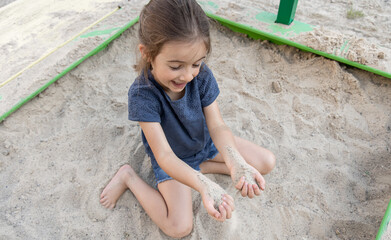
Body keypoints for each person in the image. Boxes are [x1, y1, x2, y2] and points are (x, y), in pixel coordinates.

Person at [100, 0, 276, 238]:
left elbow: (217, 125)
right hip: (173, 159)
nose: (187, 75)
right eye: (175, 66)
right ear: (147, 54)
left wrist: (235, 162)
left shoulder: (200, 76)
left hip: (204, 144)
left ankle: (199, 167)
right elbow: (164, 155)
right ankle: (128, 176)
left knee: (265, 162)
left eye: (196, 63)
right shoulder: (143, 94)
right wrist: (203, 184)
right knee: (179, 227)